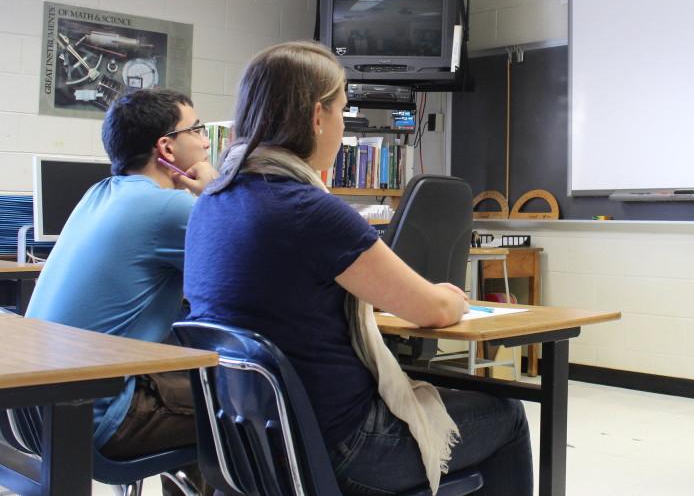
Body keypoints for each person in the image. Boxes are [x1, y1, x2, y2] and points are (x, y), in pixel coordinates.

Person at [184, 41, 532, 496]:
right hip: (337, 447)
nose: (341, 127)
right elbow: (431, 310)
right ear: (316, 117)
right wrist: (451, 296)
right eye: (343, 112)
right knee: (506, 414)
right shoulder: (309, 210)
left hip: (248, 441)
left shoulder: (211, 203)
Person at [26, 87, 218, 494]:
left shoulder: (98, 194)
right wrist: (215, 193)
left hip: (35, 411)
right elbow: (256, 267)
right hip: (100, 415)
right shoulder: (169, 209)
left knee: (207, 382)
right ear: (166, 147)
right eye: (198, 129)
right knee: (260, 408)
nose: (205, 141)